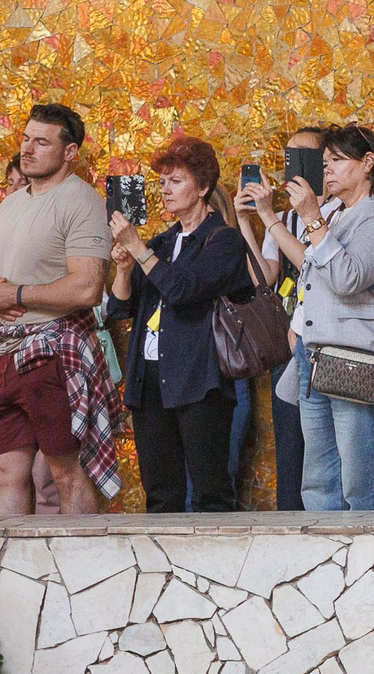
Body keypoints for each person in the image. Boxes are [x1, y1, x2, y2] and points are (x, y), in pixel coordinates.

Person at [105, 138, 254, 515]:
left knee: (210, 492)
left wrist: (138, 249)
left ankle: (215, 572)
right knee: (160, 494)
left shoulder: (223, 241)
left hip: (199, 377)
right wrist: (124, 267)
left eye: (176, 181)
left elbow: (184, 292)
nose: (166, 191)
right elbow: (121, 308)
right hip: (150, 377)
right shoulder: (162, 241)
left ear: (202, 187)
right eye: (162, 183)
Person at [0, 106, 112, 514]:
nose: (27, 149)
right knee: (7, 473)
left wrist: (18, 295)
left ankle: (82, 572)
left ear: (69, 153)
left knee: (66, 471)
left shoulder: (81, 200)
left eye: (41, 141)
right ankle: (14, 574)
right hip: (5, 352)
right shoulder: (10, 204)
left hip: (53, 352)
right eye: (26, 138)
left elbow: (87, 287)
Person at [293, 124, 374, 512]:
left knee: (364, 486)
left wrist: (311, 217)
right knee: (318, 484)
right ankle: (326, 568)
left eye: (337, 161)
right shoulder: (338, 214)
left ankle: (372, 569)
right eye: (324, 162)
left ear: (368, 163)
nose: (326, 170)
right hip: (315, 357)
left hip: (357, 362)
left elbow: (349, 278)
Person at [235, 127, 327, 511]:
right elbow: (263, 277)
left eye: (302, 157)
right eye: (289, 156)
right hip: (286, 341)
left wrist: (272, 217)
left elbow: (315, 261)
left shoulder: (338, 212)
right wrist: (248, 222)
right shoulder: (284, 219)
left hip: (326, 340)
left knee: (324, 450)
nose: (294, 165)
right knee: (290, 443)